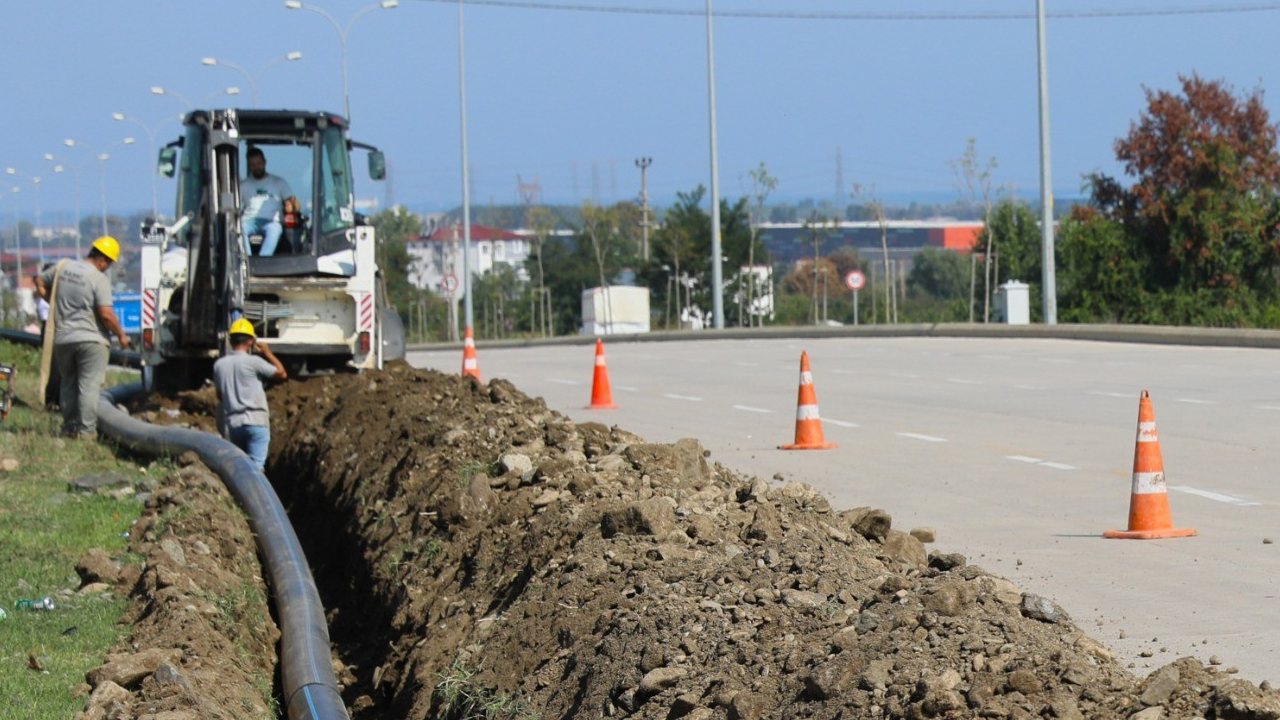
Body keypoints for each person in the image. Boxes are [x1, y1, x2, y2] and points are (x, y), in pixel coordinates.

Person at [34, 237, 130, 440]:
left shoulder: (64, 268)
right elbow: (105, 314)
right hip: (91, 340)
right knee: (89, 385)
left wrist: (51, 300)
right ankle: (86, 432)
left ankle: (68, 428)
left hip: (63, 338)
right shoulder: (98, 278)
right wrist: (121, 335)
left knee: (68, 382)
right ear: (103, 260)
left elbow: (39, 281)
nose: (107, 268)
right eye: (109, 264)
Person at [212, 318, 287, 471]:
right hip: (256, 422)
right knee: (256, 470)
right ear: (251, 341)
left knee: (239, 469)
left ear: (230, 340)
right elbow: (282, 373)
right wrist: (267, 352)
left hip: (233, 424)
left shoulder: (219, 365)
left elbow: (220, 396)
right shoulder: (254, 362)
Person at [240, 147, 297, 257]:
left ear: (265, 162)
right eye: (253, 165)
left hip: (271, 221)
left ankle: (263, 259)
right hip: (249, 220)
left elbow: (294, 202)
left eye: (259, 163)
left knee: (275, 230)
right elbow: (235, 205)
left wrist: (292, 206)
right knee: (239, 227)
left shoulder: (278, 183)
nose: (256, 167)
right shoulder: (244, 185)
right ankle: (247, 260)